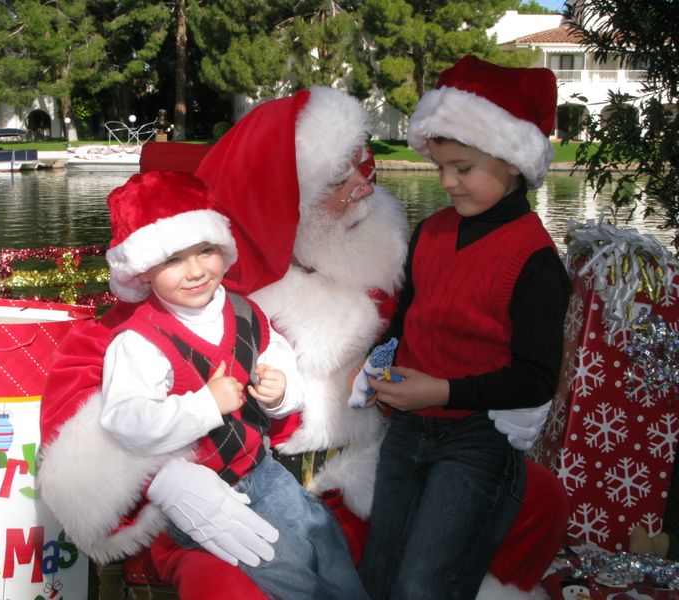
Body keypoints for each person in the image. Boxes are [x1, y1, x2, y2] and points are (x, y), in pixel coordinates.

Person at [38, 85, 569, 600]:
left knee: (535, 497)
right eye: (342, 175)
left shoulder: (397, 249)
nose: (365, 185)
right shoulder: (193, 286)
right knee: (222, 586)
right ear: (291, 197)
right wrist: (163, 480)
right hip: (235, 491)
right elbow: (81, 401)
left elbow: (439, 331)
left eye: (368, 162)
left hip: (369, 471)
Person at [356, 55, 572, 599]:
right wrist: (377, 364)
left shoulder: (536, 260)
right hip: (408, 430)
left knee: (423, 584)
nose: (448, 182)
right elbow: (408, 321)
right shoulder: (430, 232)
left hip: (478, 438)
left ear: (513, 163)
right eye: (441, 167)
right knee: (380, 573)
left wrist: (444, 391)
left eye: (463, 168)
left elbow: (536, 378)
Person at [97, 170, 366, 599]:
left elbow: (273, 348)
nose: (196, 271)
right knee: (285, 563)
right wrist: (204, 405)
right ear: (143, 273)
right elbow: (126, 421)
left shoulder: (241, 310)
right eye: (173, 260)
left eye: (205, 251)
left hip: (260, 471)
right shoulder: (140, 341)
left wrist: (281, 390)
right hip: (200, 495)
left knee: (324, 539)